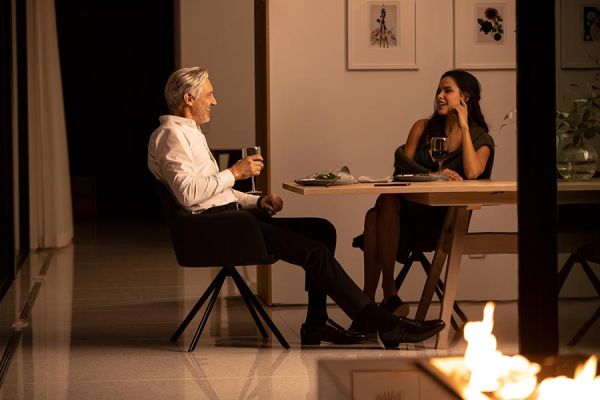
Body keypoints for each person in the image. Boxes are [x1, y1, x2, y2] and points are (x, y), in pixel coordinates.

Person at [148, 66, 445, 349]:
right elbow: (189, 195)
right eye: (208, 94)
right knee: (312, 251)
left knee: (320, 230)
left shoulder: (191, 133)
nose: (215, 100)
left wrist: (256, 201)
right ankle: (385, 323)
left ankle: (316, 323)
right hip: (214, 229)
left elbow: (216, 192)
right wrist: (236, 173)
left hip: (230, 219)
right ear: (189, 99)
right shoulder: (171, 136)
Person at [351, 70, 495, 334]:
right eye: (438, 91)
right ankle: (383, 297)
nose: (439, 96)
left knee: (375, 215)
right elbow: (401, 169)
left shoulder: (479, 138)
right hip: (404, 217)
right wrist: (432, 175)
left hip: (442, 221)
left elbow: (474, 173)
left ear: (465, 97)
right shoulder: (422, 128)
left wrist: (463, 125)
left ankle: (371, 305)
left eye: (447, 91)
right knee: (382, 205)